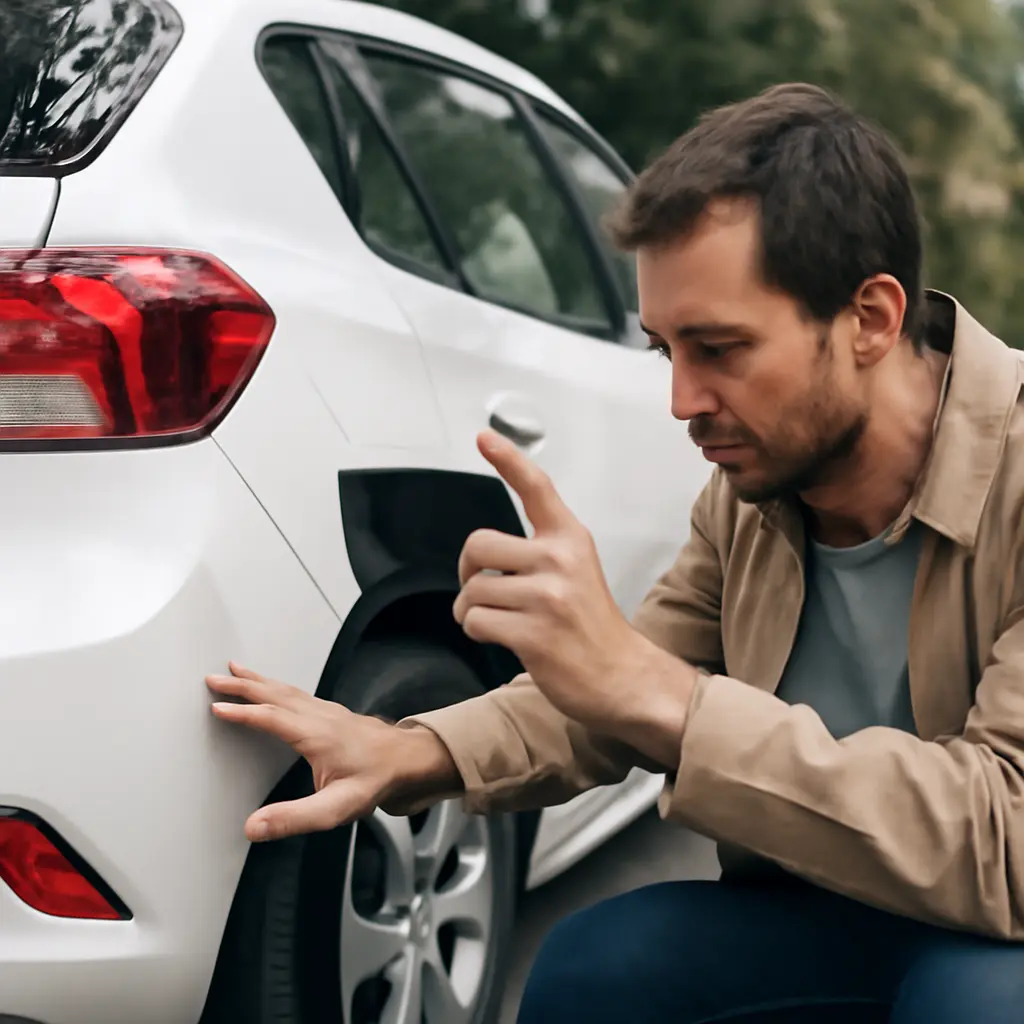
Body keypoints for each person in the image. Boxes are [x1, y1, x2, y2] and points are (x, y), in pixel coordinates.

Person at [207, 82, 1024, 1022]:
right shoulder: (754, 493)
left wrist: (665, 700)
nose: (681, 400)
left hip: (994, 933)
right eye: (663, 349)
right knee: (594, 970)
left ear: (872, 320)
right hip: (815, 908)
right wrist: (407, 749)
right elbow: (606, 697)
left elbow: (1008, 843)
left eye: (719, 348)